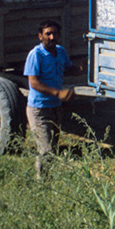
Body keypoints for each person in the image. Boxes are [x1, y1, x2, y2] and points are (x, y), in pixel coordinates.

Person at [24, 18, 82, 176]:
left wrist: (80, 69)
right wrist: (58, 93)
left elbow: (68, 68)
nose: (52, 37)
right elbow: (34, 82)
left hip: (55, 107)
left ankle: (48, 179)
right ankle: (42, 184)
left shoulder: (61, 51)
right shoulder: (36, 55)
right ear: (40, 36)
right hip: (39, 109)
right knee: (46, 149)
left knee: (53, 146)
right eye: (48, 34)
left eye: (55, 34)